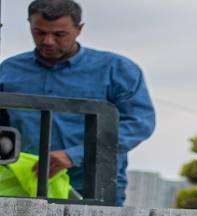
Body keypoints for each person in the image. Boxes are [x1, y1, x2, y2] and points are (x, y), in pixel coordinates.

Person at [0, 0, 155, 205]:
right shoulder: (9, 70)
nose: (48, 41)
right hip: (25, 183)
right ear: (30, 24)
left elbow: (138, 124)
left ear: (79, 29)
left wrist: (74, 155)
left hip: (93, 187)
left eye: (59, 34)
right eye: (39, 32)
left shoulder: (117, 70)